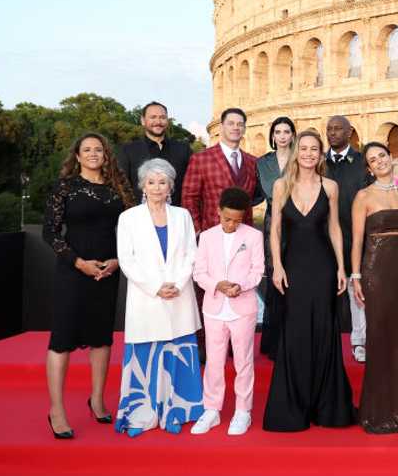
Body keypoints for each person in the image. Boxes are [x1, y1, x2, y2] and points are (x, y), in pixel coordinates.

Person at [42, 133, 135, 439]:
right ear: (78, 156)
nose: (94, 153)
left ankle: (97, 398)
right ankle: (56, 409)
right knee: (62, 339)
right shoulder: (64, 187)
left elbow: (133, 232)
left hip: (108, 272)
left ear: (106, 155)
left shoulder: (119, 189)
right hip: (73, 271)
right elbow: (50, 233)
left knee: (101, 338)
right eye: (87, 150)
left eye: (99, 149)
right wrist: (78, 262)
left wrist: (118, 261)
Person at [263, 129, 354, 431]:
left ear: (321, 153)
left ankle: (325, 405)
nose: (309, 154)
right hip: (293, 268)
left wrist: (342, 268)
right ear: (296, 151)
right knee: (295, 332)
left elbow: (334, 229)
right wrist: (277, 266)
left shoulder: (330, 186)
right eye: (304, 148)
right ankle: (294, 405)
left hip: (323, 268)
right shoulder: (280, 186)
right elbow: (275, 229)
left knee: (324, 331)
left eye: (315, 149)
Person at [114, 158, 204, 436]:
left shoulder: (183, 216)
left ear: (170, 187)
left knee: (178, 355)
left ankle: (177, 410)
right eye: (151, 182)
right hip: (146, 298)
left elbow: (192, 253)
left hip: (179, 296)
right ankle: (142, 414)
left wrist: (176, 283)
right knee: (145, 357)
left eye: (162, 182)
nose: (156, 187)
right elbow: (126, 260)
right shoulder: (128, 218)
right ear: (142, 185)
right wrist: (156, 286)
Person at [351, 142, 398, 434]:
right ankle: (377, 411)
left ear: (391, 158)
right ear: (368, 167)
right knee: (379, 336)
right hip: (375, 270)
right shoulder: (363, 196)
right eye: (372, 160)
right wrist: (355, 276)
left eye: (382, 156)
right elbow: (356, 241)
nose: (379, 161)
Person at [191, 187, 265, 436]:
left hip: (242, 308)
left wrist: (240, 286)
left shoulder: (253, 236)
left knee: (244, 362)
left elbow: (258, 270)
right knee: (213, 361)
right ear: (218, 212)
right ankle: (211, 409)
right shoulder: (207, 237)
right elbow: (199, 272)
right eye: (227, 218)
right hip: (214, 308)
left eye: (237, 219)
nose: (232, 224)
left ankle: (243, 411)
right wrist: (217, 285)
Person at [325, 114, 370, 363]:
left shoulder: (362, 161)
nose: (332, 133)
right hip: (326, 236)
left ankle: (359, 340)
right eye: (329, 129)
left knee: (356, 289)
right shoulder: (320, 163)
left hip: (356, 235)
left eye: (338, 129)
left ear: (349, 132)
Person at [182, 107, 260, 234]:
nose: (236, 127)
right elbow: (189, 198)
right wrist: (197, 231)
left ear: (244, 129)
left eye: (240, 124)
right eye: (231, 123)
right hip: (212, 233)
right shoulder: (201, 159)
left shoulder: (253, 161)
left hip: (244, 234)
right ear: (221, 127)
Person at [256, 116, 295, 357]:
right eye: (278, 131)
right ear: (272, 135)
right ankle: (273, 341)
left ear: (293, 134)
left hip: (299, 220)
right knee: (274, 277)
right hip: (273, 221)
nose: (282, 136)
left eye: (286, 131)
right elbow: (258, 192)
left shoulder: (300, 157)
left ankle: (293, 339)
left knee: (296, 277)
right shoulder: (263, 162)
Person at [117, 101, 193, 206]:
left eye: (162, 117)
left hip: (176, 216)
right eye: (153, 117)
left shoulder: (183, 150)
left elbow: (192, 187)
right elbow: (122, 187)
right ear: (143, 121)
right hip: (139, 217)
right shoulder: (128, 150)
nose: (158, 121)